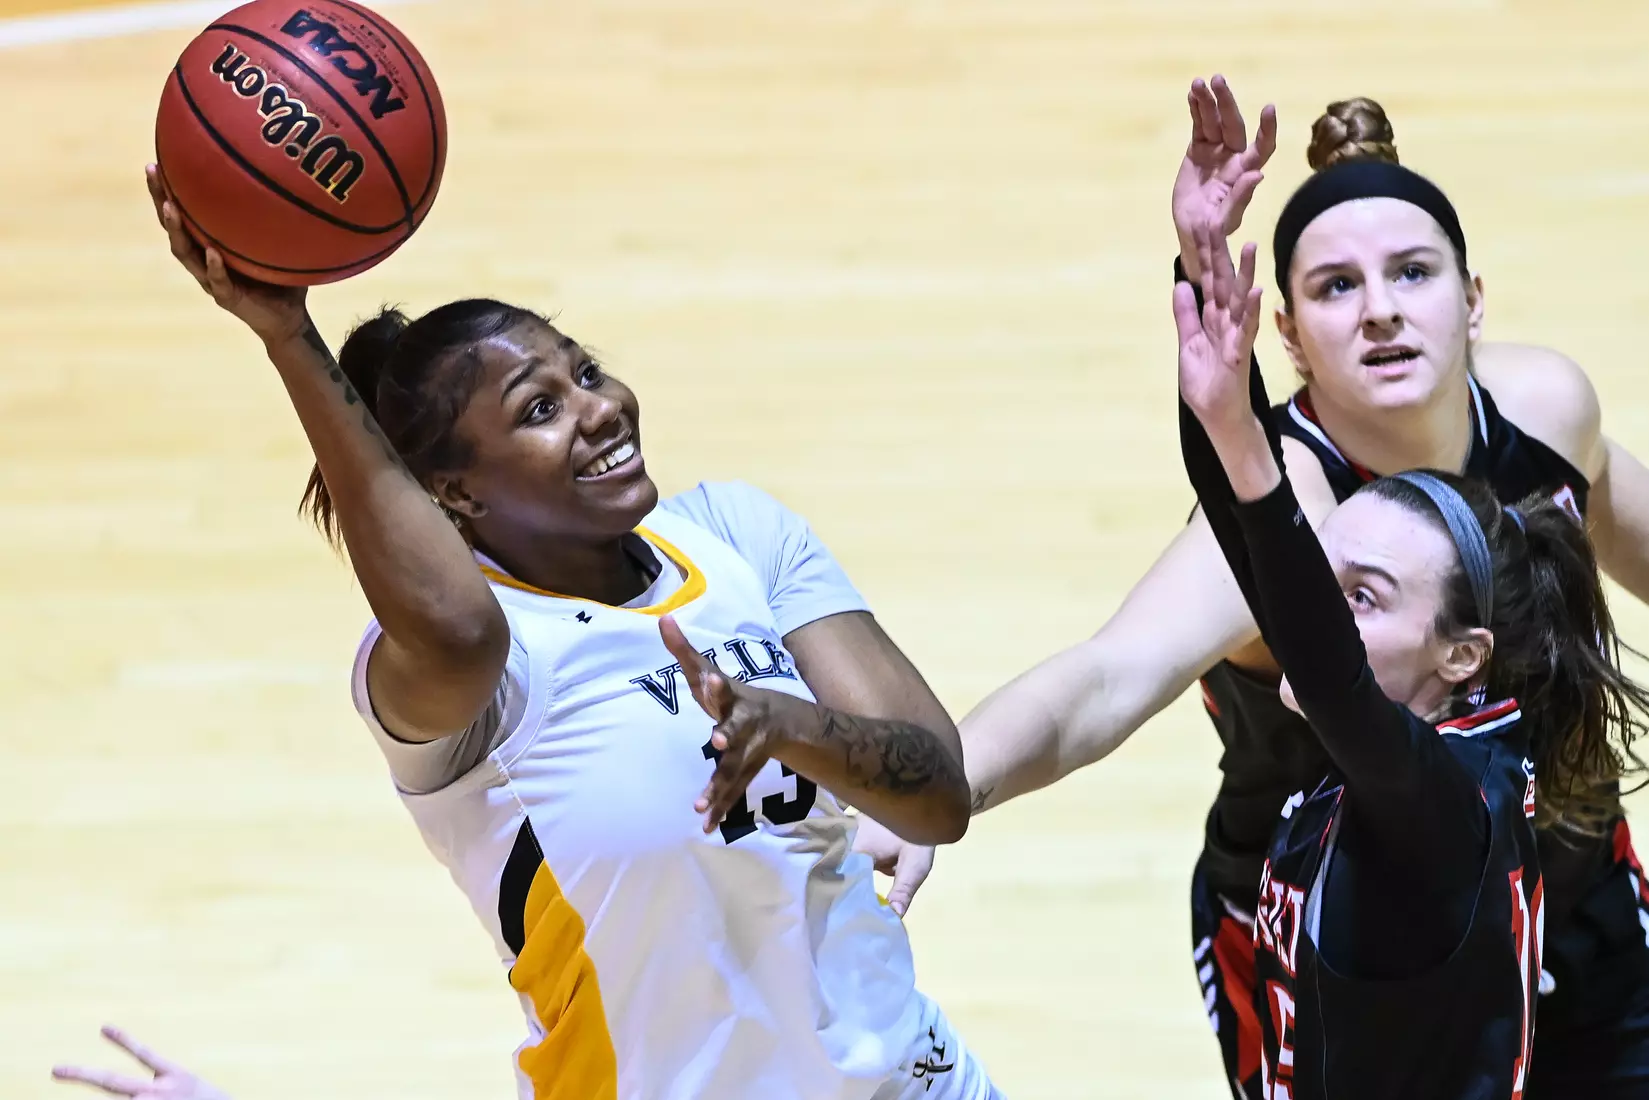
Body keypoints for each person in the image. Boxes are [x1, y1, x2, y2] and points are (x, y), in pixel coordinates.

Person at [137, 164, 999, 1100]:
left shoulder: (740, 534)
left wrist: (791, 725)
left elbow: (937, 794)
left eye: (584, 371)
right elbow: (458, 629)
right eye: (540, 411)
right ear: (456, 494)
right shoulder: (477, 680)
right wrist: (287, 337)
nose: (600, 409)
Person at [855, 80, 1649, 1096]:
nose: (1379, 312)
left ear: (1472, 297)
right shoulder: (1285, 511)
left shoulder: (1542, 410)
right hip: (1344, 939)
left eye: (1410, 273)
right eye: (1334, 289)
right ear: (1286, 336)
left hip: (1558, 878)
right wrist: (939, 787)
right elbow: (1102, 678)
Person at [1175, 214, 1649, 1097]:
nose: (1311, 613)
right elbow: (1261, 556)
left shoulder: (1439, 801)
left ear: (1461, 654)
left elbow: (1319, 659)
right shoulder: (1423, 751)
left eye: (1357, 598)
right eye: (1324, 581)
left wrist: (1242, 447)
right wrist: (1214, 384)